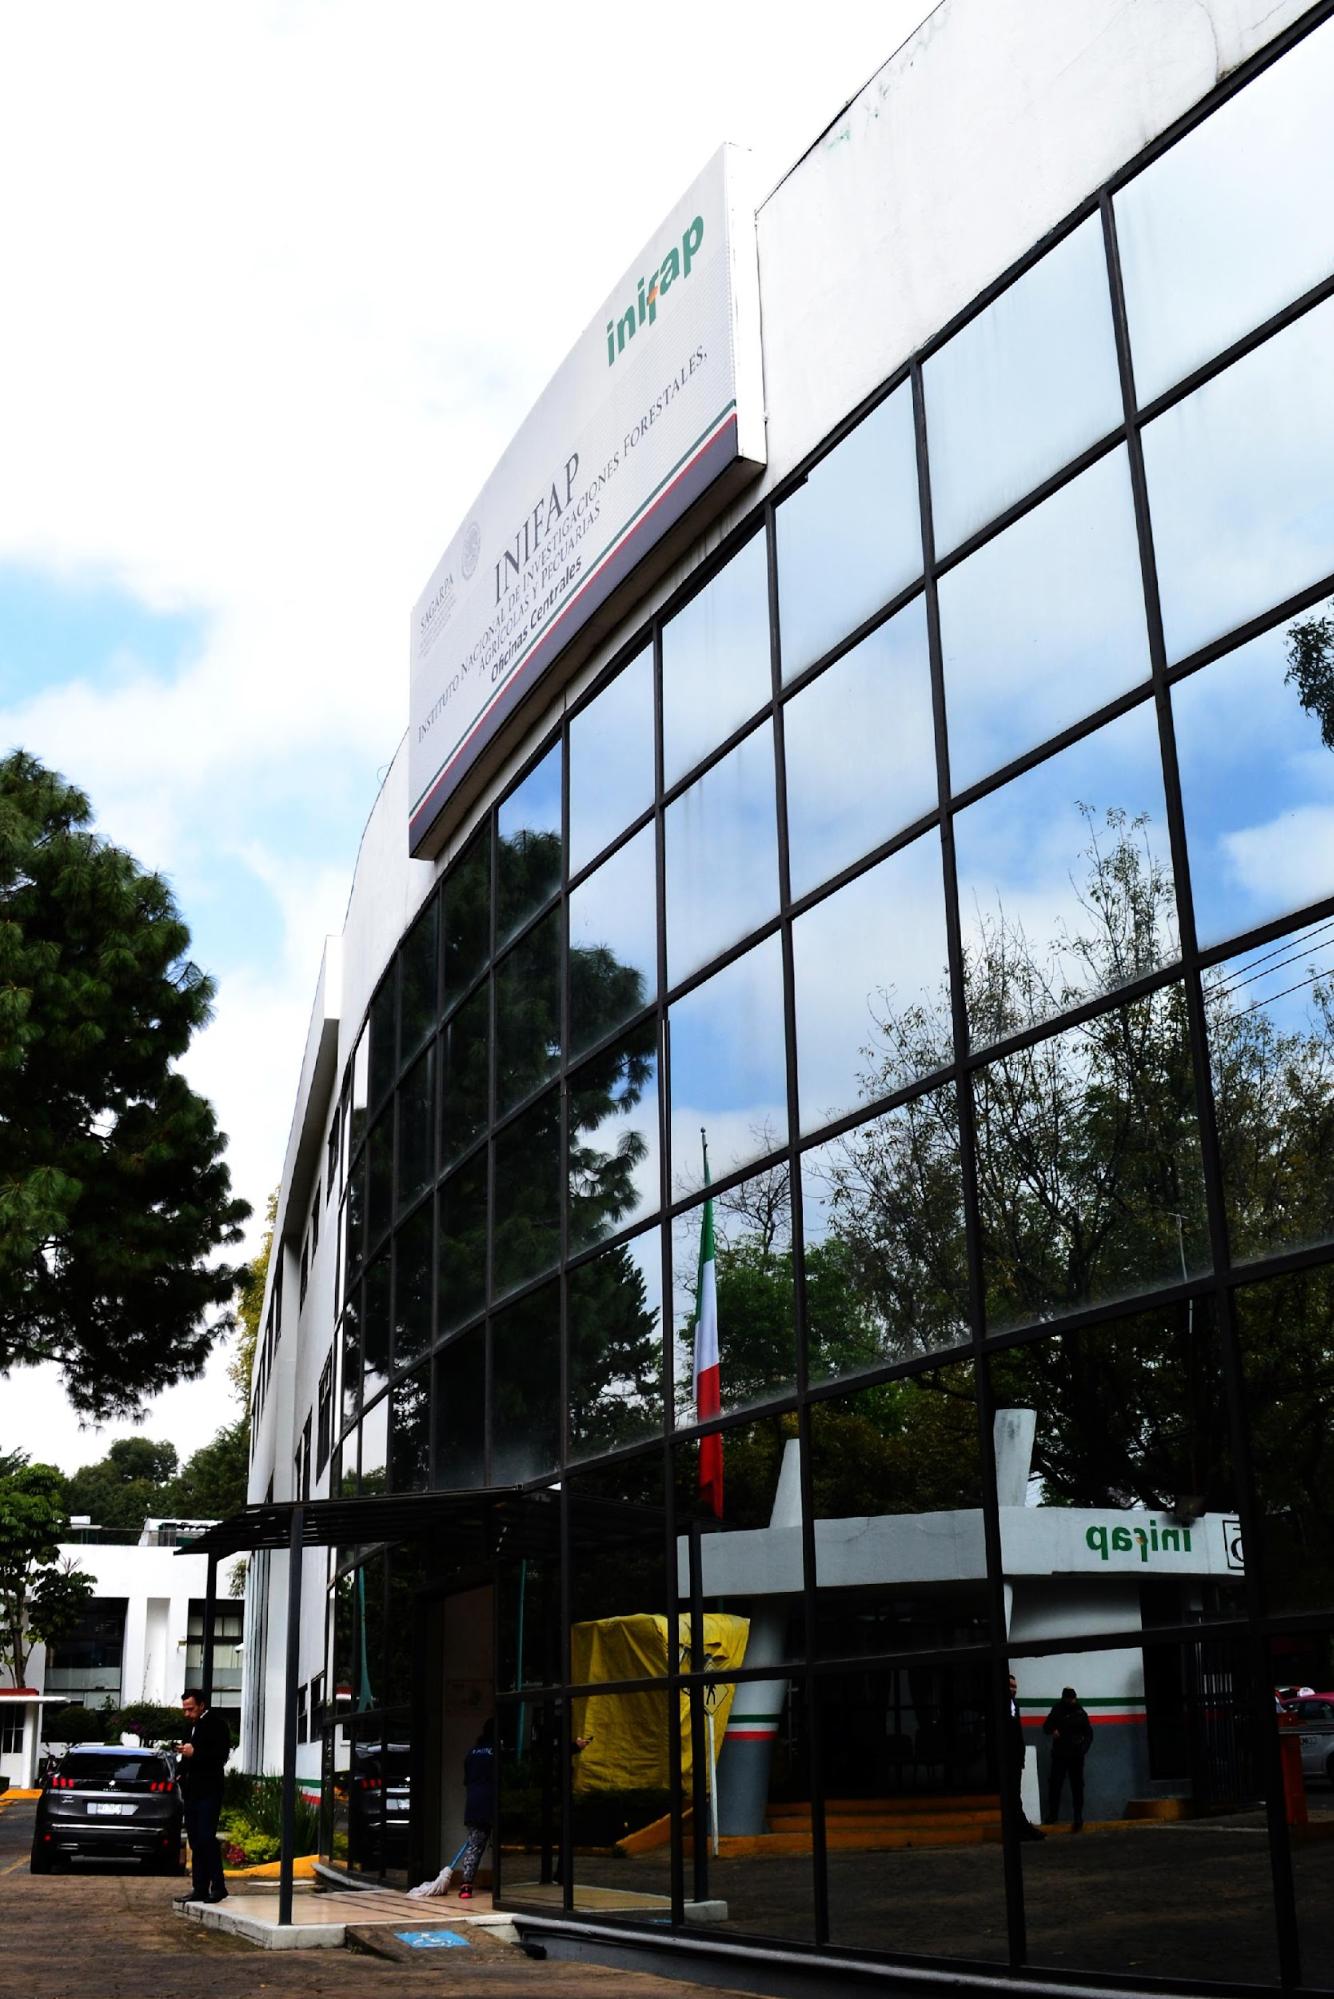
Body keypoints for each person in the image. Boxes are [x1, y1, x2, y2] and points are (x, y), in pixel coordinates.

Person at [173, 1689, 233, 1905]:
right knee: (196, 1840)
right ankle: (199, 1887)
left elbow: (220, 1756)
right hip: (191, 1791)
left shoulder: (216, 1725)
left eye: (190, 1709)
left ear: (201, 1705)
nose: (187, 1714)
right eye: (185, 1710)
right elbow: (186, 1757)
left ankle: (218, 1886)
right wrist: (180, 1771)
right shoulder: (190, 1726)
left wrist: (195, 1753)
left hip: (209, 1791)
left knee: (207, 1838)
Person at [455, 1719, 496, 1901]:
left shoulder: (472, 1753)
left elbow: (467, 1780)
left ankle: (466, 1885)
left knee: (475, 1845)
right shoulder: (496, 1752)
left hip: (474, 1803)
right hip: (492, 1801)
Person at [1043, 1685, 1094, 1832]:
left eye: (1073, 1699)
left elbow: (1089, 1734)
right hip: (1060, 1755)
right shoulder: (1058, 1710)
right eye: (1069, 1699)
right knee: (1055, 1785)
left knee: (1077, 1787)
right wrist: (1053, 1730)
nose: (1072, 1701)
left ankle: (1078, 1817)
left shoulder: (1080, 1712)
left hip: (1076, 1756)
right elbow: (1046, 1727)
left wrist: (1083, 1749)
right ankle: (1053, 1815)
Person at [1006, 1673, 1045, 1842]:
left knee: (1015, 1795)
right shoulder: (1007, 1706)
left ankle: (1021, 1828)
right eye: (1010, 1686)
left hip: (1015, 1758)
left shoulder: (1014, 1704)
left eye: (1015, 1686)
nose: (1013, 1689)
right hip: (1010, 1759)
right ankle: (1021, 1828)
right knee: (1014, 1796)